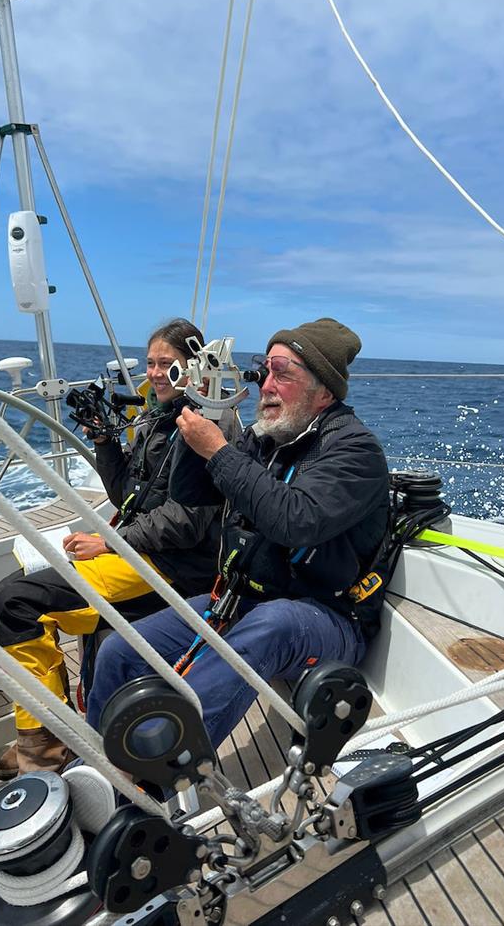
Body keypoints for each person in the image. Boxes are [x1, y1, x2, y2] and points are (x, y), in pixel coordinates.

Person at [87, 318, 391, 757]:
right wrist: (203, 411)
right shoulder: (264, 439)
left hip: (326, 618)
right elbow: (194, 495)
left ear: (324, 391)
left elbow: (295, 520)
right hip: (241, 601)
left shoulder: (355, 452)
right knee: (120, 650)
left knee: (273, 626)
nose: (266, 385)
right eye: (264, 369)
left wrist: (218, 449)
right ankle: (95, 771)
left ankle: (158, 773)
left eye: (282, 373)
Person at [0, 318, 239, 777]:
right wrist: (105, 439)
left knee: (13, 602)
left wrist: (109, 542)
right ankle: (49, 731)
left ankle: (44, 743)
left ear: (195, 368)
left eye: (169, 364)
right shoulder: (157, 418)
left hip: (172, 565)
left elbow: (187, 522)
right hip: (140, 552)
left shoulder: (202, 425)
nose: (157, 373)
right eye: (150, 363)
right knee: (14, 597)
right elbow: (127, 491)